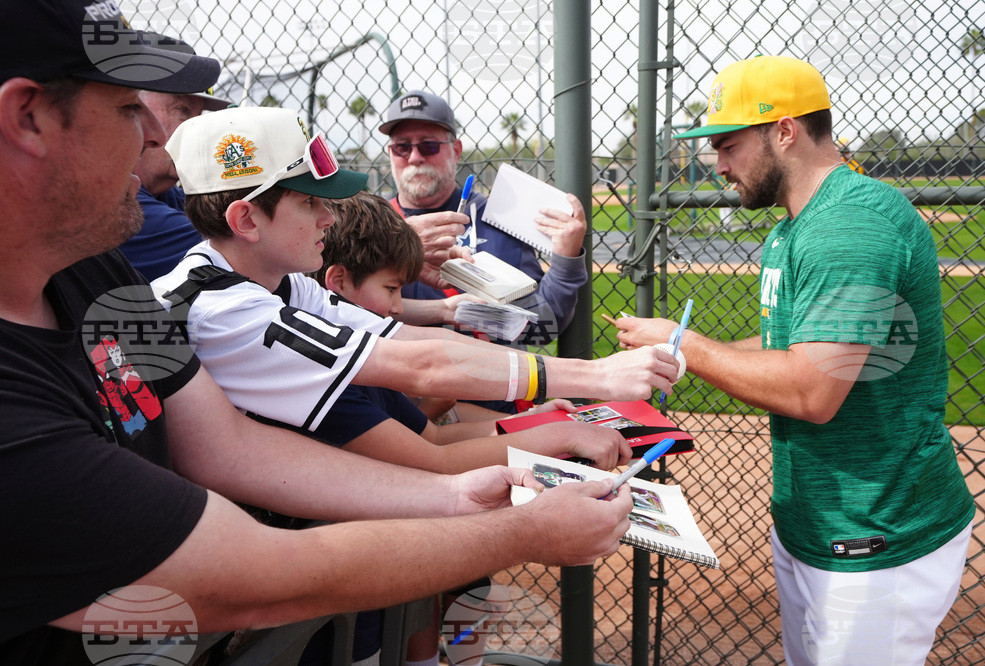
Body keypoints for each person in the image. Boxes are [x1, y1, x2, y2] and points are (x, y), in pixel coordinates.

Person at [0, 1, 640, 662]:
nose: (152, 137)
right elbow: (249, 578)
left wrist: (452, 493)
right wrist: (519, 527)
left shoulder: (100, 276)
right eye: (125, 108)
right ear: (28, 118)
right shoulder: (194, 311)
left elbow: (227, 446)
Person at [613, 55, 974, 666]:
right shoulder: (794, 227)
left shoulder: (850, 223)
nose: (718, 165)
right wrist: (681, 355)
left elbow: (812, 388)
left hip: (876, 533)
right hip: (817, 525)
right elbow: (792, 346)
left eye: (727, 145)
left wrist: (685, 342)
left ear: (784, 131)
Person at [152, 105, 679, 451]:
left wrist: (454, 312)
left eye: (428, 144)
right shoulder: (228, 308)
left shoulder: (279, 283)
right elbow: (421, 369)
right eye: (310, 202)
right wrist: (594, 378)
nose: (328, 218)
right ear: (246, 221)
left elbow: (407, 336)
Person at [312, 191, 632, 472]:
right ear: (337, 281)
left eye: (429, 145)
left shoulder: (351, 346)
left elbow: (436, 433)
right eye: (392, 289)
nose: (398, 307)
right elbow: (436, 455)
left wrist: (529, 422)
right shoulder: (329, 373)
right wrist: (559, 432)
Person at [379, 90, 589, 349]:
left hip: (486, 373)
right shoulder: (370, 226)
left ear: (456, 150)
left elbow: (540, 328)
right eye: (402, 147)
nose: (414, 158)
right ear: (390, 153)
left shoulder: (499, 220)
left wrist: (566, 262)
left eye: (429, 145)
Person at [120, 88, 232, 281]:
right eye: (182, 110)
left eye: (198, 116)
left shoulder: (167, 194)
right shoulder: (119, 204)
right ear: (134, 108)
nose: (197, 131)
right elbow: (250, 248)